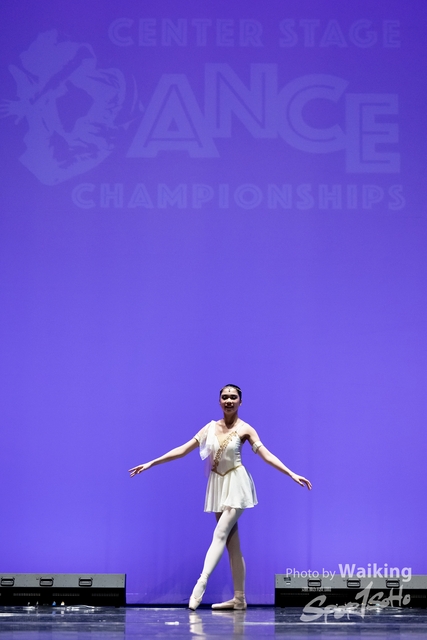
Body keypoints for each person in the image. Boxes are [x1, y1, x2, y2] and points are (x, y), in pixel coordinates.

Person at [128, 384, 312, 610]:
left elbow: (266, 455)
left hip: (237, 484)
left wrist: (291, 473)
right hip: (217, 485)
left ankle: (201, 582)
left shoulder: (246, 429)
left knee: (220, 533)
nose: (229, 401)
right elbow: (183, 450)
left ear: (240, 401)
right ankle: (239, 599)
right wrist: (151, 463)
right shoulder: (210, 428)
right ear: (219, 401)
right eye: (225, 397)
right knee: (232, 545)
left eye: (233, 397)